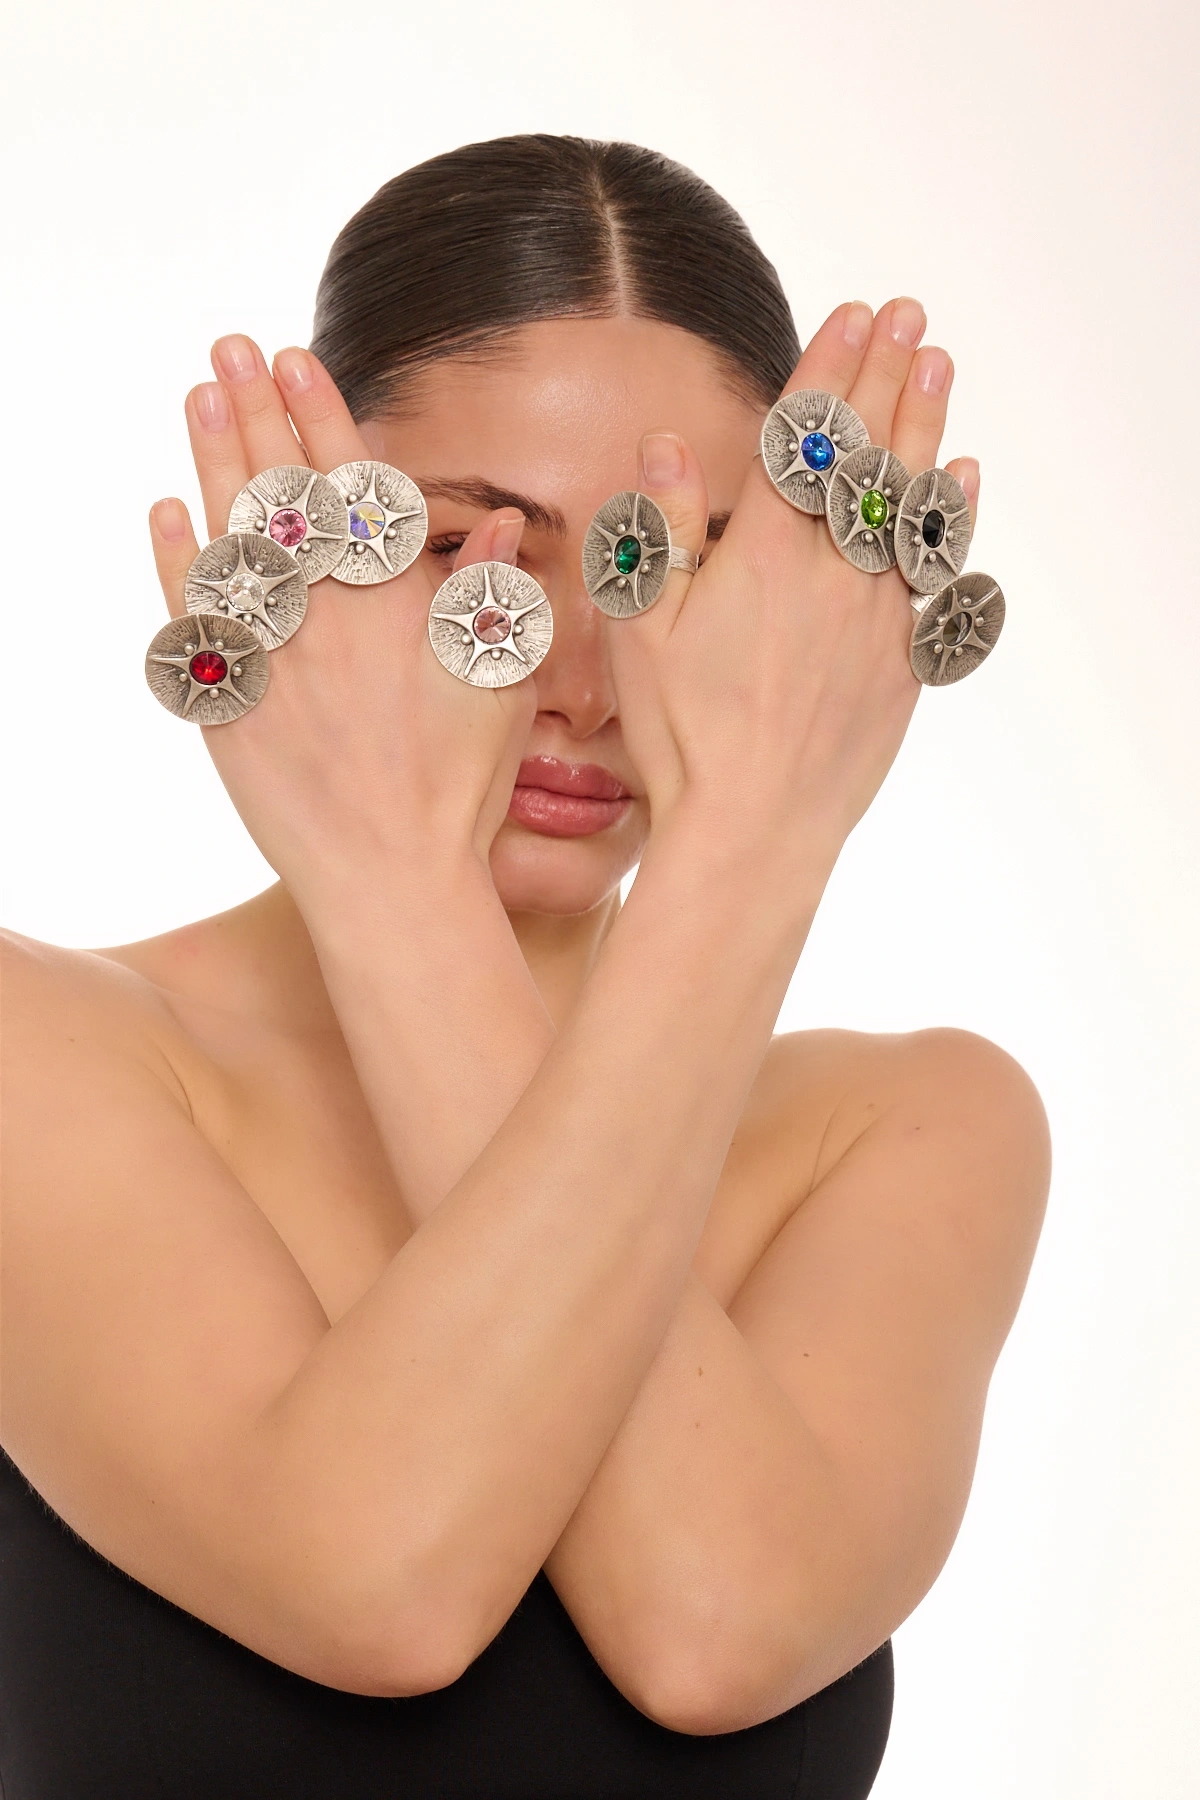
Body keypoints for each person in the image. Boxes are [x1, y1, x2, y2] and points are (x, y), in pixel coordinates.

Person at [0, 135, 1050, 1799]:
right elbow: (383, 1580)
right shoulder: (46, 1052)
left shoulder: (909, 1131)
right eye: (468, 552)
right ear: (305, 548)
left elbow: (712, 1629)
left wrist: (753, 847)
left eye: (670, 565)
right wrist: (389, 880)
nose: (582, 681)